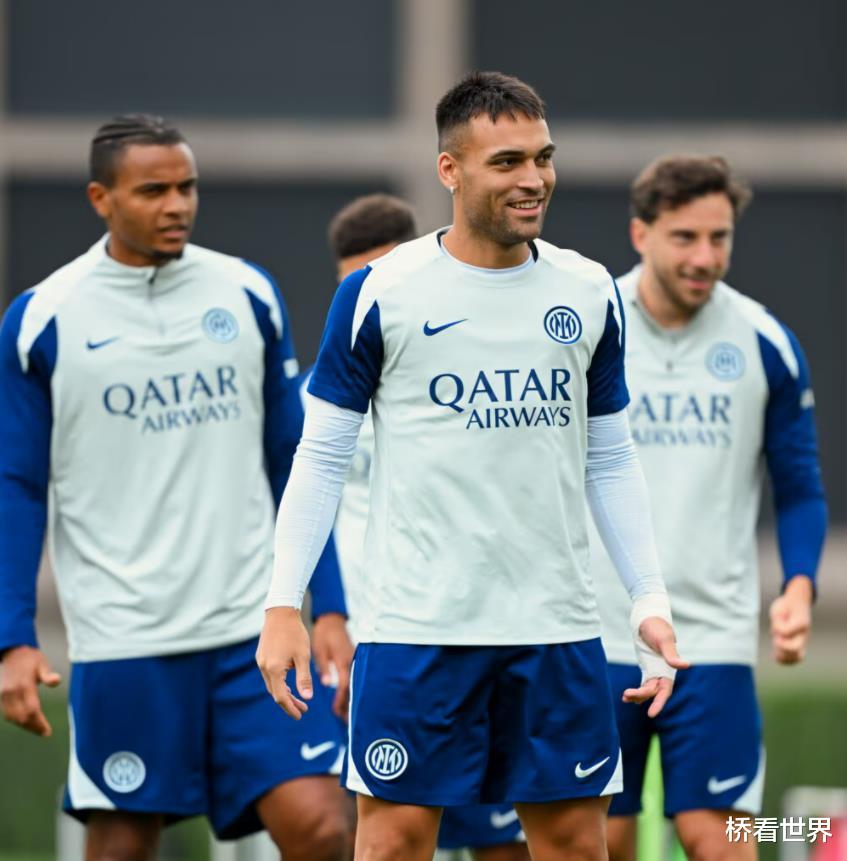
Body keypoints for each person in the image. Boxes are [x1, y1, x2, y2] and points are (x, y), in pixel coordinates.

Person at [258, 71, 687, 861]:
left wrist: (646, 597)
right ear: (449, 170)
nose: (533, 179)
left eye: (542, 158)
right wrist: (285, 603)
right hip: (414, 631)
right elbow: (318, 457)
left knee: (575, 846)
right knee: (390, 844)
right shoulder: (378, 292)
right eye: (506, 162)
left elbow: (609, 456)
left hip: (556, 629)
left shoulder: (587, 289)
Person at [0, 114, 354, 861]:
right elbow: (17, 484)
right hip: (126, 637)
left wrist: (328, 606)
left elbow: (293, 460)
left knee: (323, 825)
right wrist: (14, 638)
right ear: (101, 198)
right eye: (153, 190)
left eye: (187, 187)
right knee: (122, 847)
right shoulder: (42, 320)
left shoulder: (247, 292)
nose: (177, 205)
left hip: (251, 630)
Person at [590, 155, 828, 861]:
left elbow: (799, 485)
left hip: (712, 639)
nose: (704, 257)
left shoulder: (764, 342)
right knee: (600, 840)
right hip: (595, 632)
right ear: (641, 234)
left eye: (718, 237)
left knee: (717, 837)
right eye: (684, 237)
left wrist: (798, 588)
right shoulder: (585, 327)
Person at [312, 191, 530, 861]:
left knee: (500, 840)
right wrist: (331, 616)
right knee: (361, 829)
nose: (375, 293)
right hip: (370, 640)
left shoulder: (482, 375)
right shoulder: (317, 399)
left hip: (472, 631)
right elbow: (305, 513)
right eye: (357, 282)